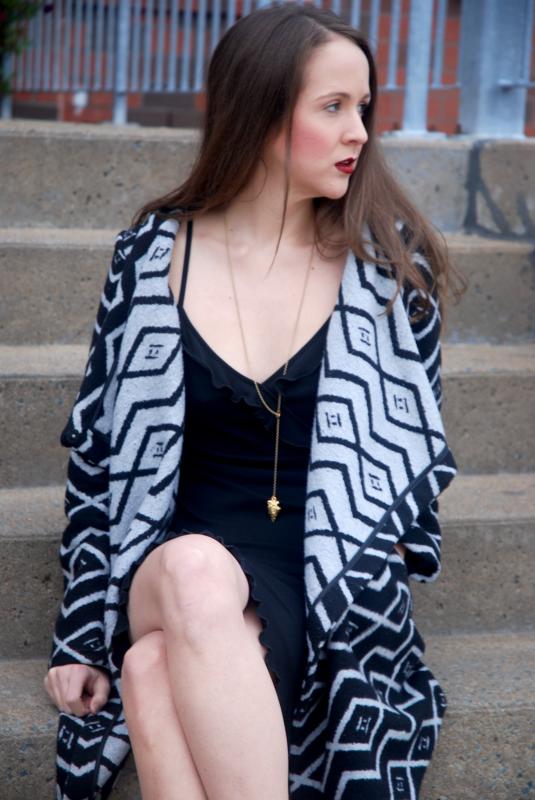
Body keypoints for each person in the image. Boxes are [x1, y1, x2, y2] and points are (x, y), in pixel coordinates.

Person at [43, 4, 463, 799]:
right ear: (262, 112)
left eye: (363, 108)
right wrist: (77, 636)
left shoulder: (388, 280)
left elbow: (405, 482)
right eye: (332, 107)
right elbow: (98, 460)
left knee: (149, 667)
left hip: (318, 577)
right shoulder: (149, 259)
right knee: (196, 570)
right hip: (170, 563)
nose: (359, 133)